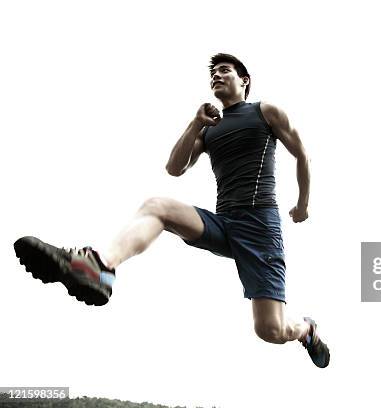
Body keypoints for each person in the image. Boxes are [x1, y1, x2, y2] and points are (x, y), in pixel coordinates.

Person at [13, 53, 330, 368]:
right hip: (223, 222)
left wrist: (302, 204)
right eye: (213, 74)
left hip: (260, 226)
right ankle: (100, 266)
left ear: (244, 80)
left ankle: (307, 330)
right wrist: (195, 124)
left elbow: (302, 154)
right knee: (157, 206)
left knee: (270, 330)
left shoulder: (265, 111)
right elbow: (174, 168)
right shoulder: (208, 129)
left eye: (224, 71)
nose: (216, 76)